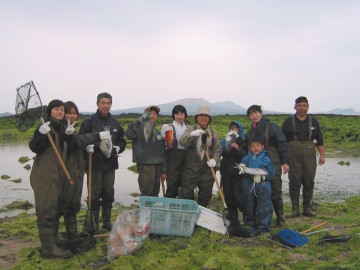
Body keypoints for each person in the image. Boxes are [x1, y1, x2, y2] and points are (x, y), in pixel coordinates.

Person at [29, 99, 74, 258]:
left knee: (58, 207)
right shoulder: (44, 128)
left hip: (60, 175)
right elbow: (34, 147)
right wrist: (41, 134)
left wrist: (70, 136)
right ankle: (49, 249)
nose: (60, 112)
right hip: (45, 174)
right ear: (50, 112)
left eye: (62, 109)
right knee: (46, 208)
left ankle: (54, 239)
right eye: (56, 109)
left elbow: (71, 149)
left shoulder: (64, 128)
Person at [79, 92, 126, 233]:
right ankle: (94, 224)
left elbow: (122, 140)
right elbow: (80, 139)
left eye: (108, 103)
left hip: (110, 165)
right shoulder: (89, 121)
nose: (106, 106)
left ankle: (106, 223)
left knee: (108, 194)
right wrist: (87, 148)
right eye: (103, 103)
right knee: (94, 195)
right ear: (97, 104)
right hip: (94, 165)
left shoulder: (115, 122)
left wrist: (120, 148)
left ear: (111, 104)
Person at [244, 105, 290, 228]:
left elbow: (282, 143)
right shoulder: (250, 132)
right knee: (257, 191)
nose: (254, 116)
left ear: (261, 113)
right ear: (249, 117)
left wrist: (285, 161)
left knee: (275, 190)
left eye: (256, 113)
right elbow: (245, 149)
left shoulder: (272, 126)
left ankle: (281, 218)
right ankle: (259, 219)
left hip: (272, 162)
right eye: (251, 114)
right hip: (255, 165)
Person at [282, 96, 325, 217]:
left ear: (308, 106)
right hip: (293, 155)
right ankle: (295, 210)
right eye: (299, 105)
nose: (302, 107)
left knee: (309, 181)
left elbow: (320, 140)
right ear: (295, 107)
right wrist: (283, 159)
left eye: (304, 105)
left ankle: (307, 208)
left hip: (309, 156)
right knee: (294, 181)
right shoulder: (288, 122)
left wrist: (322, 155)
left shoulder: (314, 122)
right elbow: (282, 142)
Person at [179, 106, 222, 207]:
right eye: (201, 116)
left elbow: (218, 149)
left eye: (206, 116)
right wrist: (191, 135)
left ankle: (200, 218)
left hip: (208, 170)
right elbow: (182, 142)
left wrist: (215, 159)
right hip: (191, 169)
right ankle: (188, 215)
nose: (203, 118)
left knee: (205, 196)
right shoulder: (190, 129)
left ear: (209, 118)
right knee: (186, 194)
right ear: (196, 117)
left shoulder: (213, 133)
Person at [125, 105, 166, 197]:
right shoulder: (139, 128)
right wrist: (140, 120)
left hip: (157, 167)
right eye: (150, 113)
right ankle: (144, 211)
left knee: (155, 194)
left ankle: (153, 211)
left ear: (157, 117)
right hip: (145, 166)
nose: (152, 115)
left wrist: (163, 171)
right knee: (147, 194)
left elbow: (162, 152)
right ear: (145, 114)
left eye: (155, 114)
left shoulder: (158, 133)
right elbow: (129, 135)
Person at [240, 136, 275, 236]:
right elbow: (242, 169)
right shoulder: (246, 158)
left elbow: (271, 173)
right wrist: (241, 167)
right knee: (249, 204)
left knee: (264, 205)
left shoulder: (266, 159)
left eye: (258, 146)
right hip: (249, 183)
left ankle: (263, 227)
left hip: (263, 185)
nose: (255, 148)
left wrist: (264, 177)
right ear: (250, 148)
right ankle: (250, 225)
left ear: (262, 147)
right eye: (253, 146)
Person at [220, 121, 246, 236]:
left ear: (240, 129)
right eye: (232, 127)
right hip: (226, 172)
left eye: (236, 127)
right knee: (229, 196)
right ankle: (234, 222)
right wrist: (228, 144)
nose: (234, 129)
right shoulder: (225, 139)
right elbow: (223, 151)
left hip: (238, 173)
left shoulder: (243, 141)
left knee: (239, 197)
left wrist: (238, 148)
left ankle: (246, 220)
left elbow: (246, 156)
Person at [161, 105, 189, 198]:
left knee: (186, 186)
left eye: (182, 114)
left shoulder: (188, 127)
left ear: (185, 115)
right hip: (172, 160)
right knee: (172, 186)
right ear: (173, 115)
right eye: (177, 114)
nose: (180, 116)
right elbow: (163, 138)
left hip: (186, 160)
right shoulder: (169, 127)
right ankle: (170, 207)